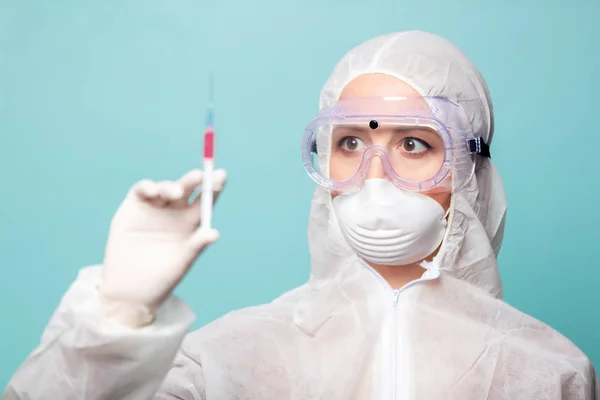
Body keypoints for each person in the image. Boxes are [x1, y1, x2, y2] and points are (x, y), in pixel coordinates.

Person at [4, 31, 597, 400]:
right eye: (349, 143)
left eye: (414, 144)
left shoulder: (549, 374)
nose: (373, 173)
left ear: (472, 173)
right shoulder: (229, 360)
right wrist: (116, 316)